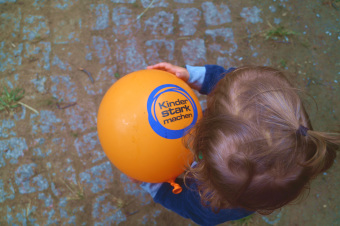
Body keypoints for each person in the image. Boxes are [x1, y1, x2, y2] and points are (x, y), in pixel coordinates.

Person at [138, 62, 340, 226]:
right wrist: (191, 76)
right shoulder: (245, 92)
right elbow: (224, 78)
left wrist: (154, 185)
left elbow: (187, 206)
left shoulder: (211, 202)